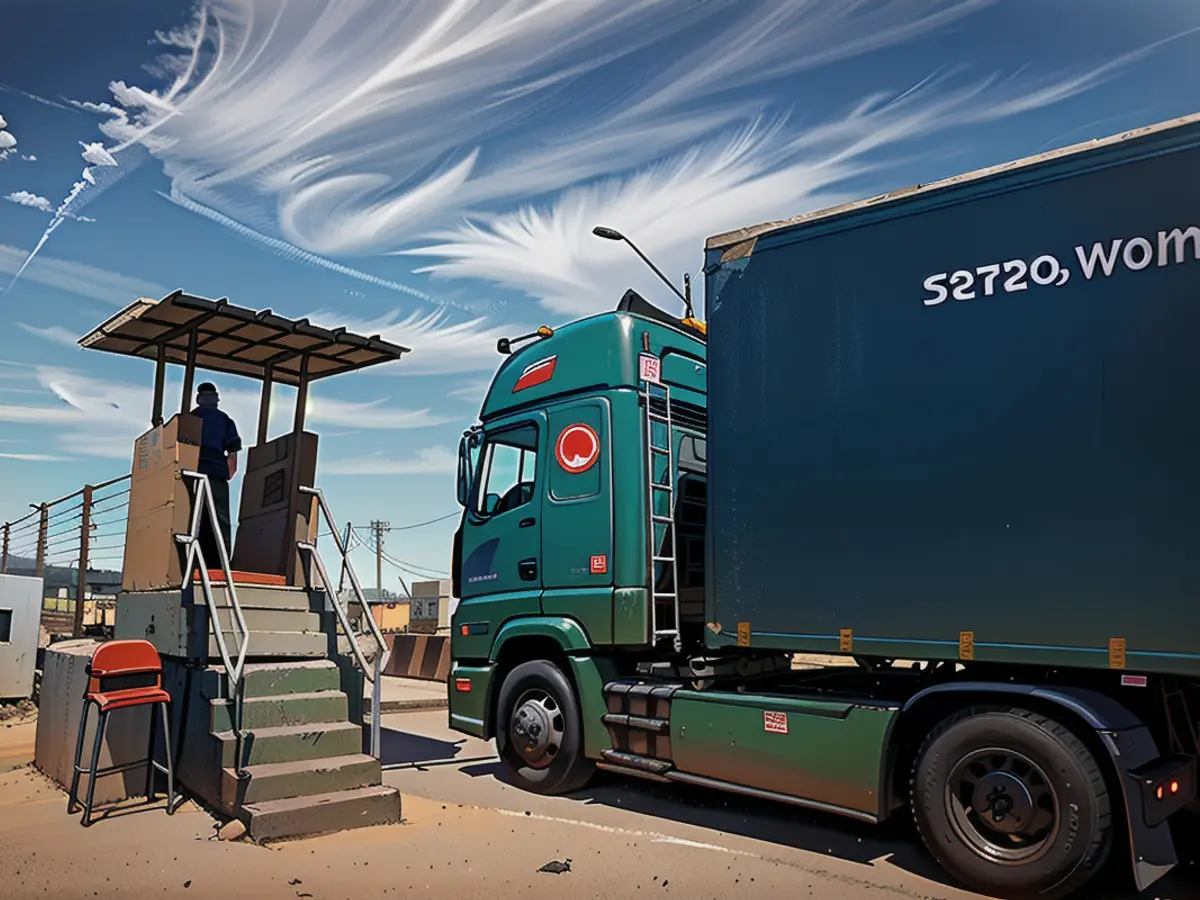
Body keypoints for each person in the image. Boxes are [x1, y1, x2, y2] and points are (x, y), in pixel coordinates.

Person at [189, 382, 242, 566]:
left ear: (199, 398)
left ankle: (193, 561)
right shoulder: (226, 421)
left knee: (194, 519)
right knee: (220, 521)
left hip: (192, 474)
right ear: (216, 399)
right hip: (217, 474)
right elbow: (233, 457)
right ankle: (221, 563)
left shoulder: (190, 419)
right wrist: (226, 474)